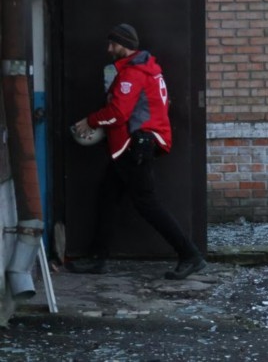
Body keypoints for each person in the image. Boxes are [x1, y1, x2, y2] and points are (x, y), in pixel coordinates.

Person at [68, 23, 206, 280]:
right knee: (108, 197)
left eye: (113, 44)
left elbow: (119, 113)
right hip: (138, 145)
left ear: (125, 45)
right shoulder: (149, 69)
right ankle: (98, 258)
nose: (109, 49)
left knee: (147, 204)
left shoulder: (134, 73)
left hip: (135, 146)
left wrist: (91, 121)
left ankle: (190, 255)